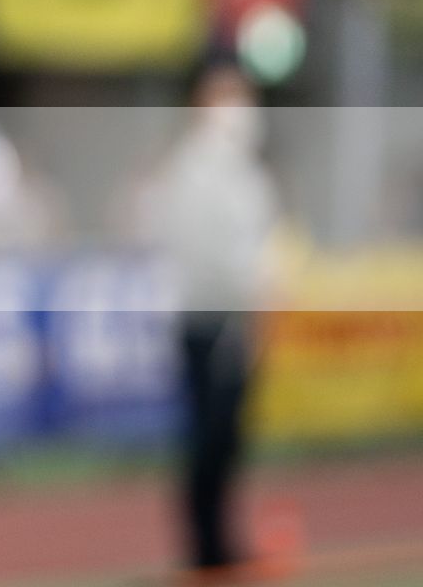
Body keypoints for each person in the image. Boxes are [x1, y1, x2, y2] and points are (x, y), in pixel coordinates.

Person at [136, 61, 280, 576]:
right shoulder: (198, 167)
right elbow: (216, 255)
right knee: (211, 436)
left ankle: (216, 539)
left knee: (225, 437)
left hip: (224, 316)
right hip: (212, 318)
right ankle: (206, 546)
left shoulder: (240, 167)